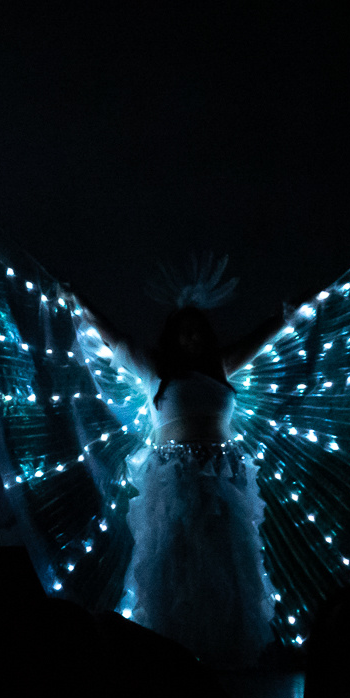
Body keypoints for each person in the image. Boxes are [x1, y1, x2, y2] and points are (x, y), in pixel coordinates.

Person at [69, 259, 289, 668]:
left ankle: (223, 657)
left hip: (222, 475)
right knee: (175, 562)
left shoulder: (221, 368)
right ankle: (173, 658)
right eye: (185, 331)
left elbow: (259, 338)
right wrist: (79, 302)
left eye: (198, 330)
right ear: (173, 337)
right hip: (176, 476)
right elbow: (115, 338)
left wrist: (290, 313)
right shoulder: (156, 370)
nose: (193, 337)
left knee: (225, 563)